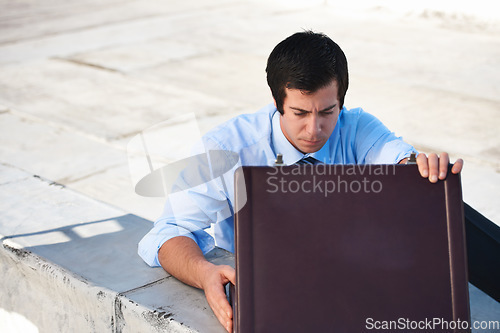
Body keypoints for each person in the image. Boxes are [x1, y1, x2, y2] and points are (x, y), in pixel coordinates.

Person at [138, 31, 463, 332]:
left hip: (357, 285)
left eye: (327, 112)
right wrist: (205, 274)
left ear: (342, 103)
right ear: (278, 103)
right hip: (271, 296)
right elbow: (169, 232)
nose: (314, 130)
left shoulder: (357, 126)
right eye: (299, 113)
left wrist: (417, 168)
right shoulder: (223, 149)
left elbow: (396, 158)